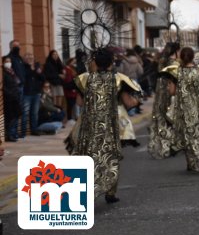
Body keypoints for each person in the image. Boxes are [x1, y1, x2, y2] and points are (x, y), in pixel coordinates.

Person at [65, 48, 140, 203]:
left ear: (95, 62)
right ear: (111, 63)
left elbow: (79, 102)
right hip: (110, 127)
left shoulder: (85, 79)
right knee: (110, 157)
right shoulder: (119, 79)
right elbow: (129, 103)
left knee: (89, 156)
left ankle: (87, 191)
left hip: (89, 126)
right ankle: (110, 192)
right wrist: (135, 102)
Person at [162, 47, 199, 175]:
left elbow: (172, 92)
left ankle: (192, 163)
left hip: (185, 110)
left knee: (188, 137)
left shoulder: (176, 73)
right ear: (192, 57)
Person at [147, 42, 182, 159]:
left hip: (160, 90)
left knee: (160, 116)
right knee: (171, 117)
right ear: (176, 51)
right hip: (170, 90)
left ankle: (162, 144)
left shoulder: (162, 61)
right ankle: (169, 144)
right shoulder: (175, 63)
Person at [22, 52, 44, 136]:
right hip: (26, 93)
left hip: (36, 93)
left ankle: (34, 130)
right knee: (25, 113)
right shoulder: (23, 67)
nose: (30, 58)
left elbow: (43, 78)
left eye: (31, 56)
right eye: (27, 56)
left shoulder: (37, 67)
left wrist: (39, 72)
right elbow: (25, 76)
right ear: (24, 59)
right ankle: (23, 131)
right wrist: (31, 68)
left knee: (34, 113)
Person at [2, 56, 21, 142]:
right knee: (10, 118)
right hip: (9, 99)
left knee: (16, 115)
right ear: (3, 63)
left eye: (9, 61)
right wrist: (10, 94)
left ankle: (13, 133)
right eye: (6, 61)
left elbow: (17, 82)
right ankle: (9, 135)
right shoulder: (3, 73)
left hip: (15, 97)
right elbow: (3, 87)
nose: (8, 63)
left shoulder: (12, 72)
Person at [63, 58, 78, 122]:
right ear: (69, 62)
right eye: (73, 62)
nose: (74, 63)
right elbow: (67, 79)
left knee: (74, 104)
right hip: (69, 88)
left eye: (75, 62)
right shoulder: (66, 69)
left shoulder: (73, 69)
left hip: (74, 88)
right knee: (70, 104)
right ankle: (69, 118)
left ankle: (73, 117)